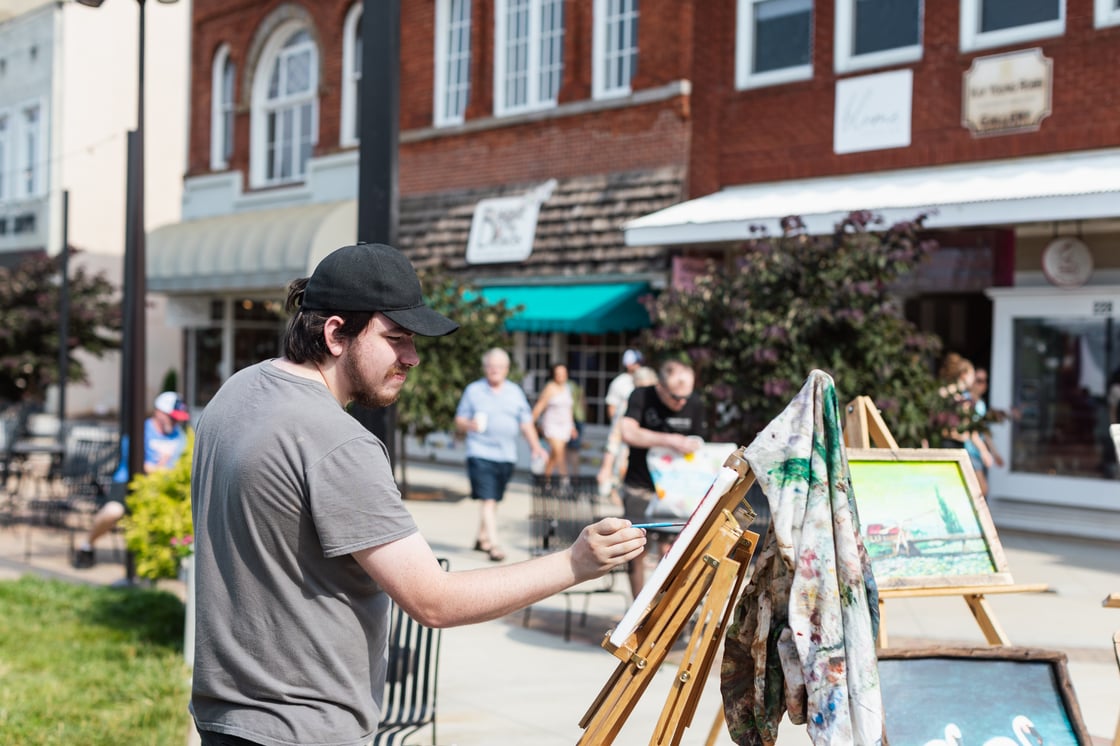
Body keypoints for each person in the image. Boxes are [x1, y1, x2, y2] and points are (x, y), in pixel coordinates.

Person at [188, 242, 646, 746]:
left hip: (224, 721)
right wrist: (575, 563)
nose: (413, 357)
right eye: (396, 338)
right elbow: (434, 602)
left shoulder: (236, 392)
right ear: (335, 333)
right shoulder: (339, 443)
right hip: (306, 729)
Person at [618, 355, 707, 596]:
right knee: (636, 548)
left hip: (676, 491)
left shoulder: (695, 403)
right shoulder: (642, 396)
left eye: (685, 397)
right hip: (640, 485)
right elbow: (627, 432)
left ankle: (655, 605)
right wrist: (670, 440)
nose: (681, 403)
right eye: (675, 397)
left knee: (671, 549)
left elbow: (700, 444)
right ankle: (636, 607)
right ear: (660, 387)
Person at [72, 391, 190, 569]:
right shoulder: (141, 431)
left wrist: (159, 468)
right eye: (171, 417)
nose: (174, 422)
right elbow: (139, 465)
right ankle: (86, 545)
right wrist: (161, 466)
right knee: (113, 511)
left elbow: (177, 468)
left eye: (177, 419)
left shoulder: (179, 436)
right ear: (158, 412)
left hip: (160, 489)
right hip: (128, 483)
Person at [454, 348, 547, 562]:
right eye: (491, 366)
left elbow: (526, 423)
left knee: (493, 499)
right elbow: (459, 420)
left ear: (506, 369)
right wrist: (469, 424)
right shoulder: (474, 390)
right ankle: (494, 546)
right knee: (488, 499)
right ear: (485, 368)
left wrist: (536, 446)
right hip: (480, 452)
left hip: (506, 456)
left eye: (499, 366)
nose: (494, 370)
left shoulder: (515, 392)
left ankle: (481, 538)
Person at [597, 365, 658, 501]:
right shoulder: (628, 404)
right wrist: (606, 467)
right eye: (639, 387)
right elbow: (615, 435)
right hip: (630, 462)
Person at [938, 352, 994, 494]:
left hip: (959, 446)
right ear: (963, 375)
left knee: (961, 489)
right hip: (952, 446)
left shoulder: (964, 399)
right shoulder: (955, 396)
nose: (974, 379)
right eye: (972, 375)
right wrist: (984, 451)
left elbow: (971, 430)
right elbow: (971, 432)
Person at [597, 349, 644, 496]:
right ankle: (615, 493)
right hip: (622, 431)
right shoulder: (620, 382)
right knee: (618, 463)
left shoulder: (644, 379)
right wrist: (618, 429)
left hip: (639, 433)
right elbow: (611, 408)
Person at [531, 363, 577, 480]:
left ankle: (546, 481)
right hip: (551, 426)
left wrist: (572, 426)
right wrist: (530, 424)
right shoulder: (550, 388)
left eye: (563, 373)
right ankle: (565, 482)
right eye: (558, 374)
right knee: (559, 453)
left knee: (555, 456)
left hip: (565, 426)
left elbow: (569, 409)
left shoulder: (567, 388)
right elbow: (539, 407)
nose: (561, 376)